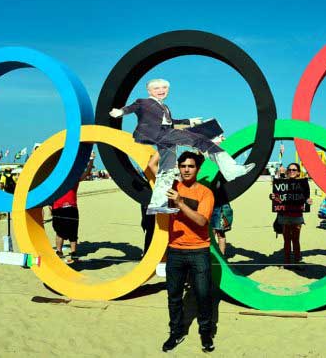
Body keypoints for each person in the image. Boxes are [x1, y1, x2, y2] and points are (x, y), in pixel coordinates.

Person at [109, 78, 254, 215]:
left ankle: (157, 204)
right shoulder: (143, 102)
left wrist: (190, 121)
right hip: (155, 134)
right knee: (201, 140)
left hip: (165, 136)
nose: (161, 90)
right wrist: (120, 112)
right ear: (149, 91)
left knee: (166, 169)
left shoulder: (164, 107)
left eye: (164, 87)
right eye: (157, 88)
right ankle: (231, 170)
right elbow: (131, 108)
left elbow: (171, 122)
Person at [161, 151, 215, 353]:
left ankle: (206, 333)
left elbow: (202, 220)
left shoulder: (205, 193)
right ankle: (175, 333)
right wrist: (166, 142)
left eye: (190, 166)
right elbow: (151, 166)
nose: (186, 169)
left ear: (198, 169)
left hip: (199, 250)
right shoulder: (170, 187)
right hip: (175, 250)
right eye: (182, 165)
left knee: (203, 295)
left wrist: (181, 202)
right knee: (173, 296)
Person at [51, 153, 95, 263]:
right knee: (59, 231)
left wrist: (91, 160)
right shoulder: (57, 180)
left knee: (73, 232)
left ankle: (74, 253)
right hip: (58, 208)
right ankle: (59, 251)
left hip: (71, 207)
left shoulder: (74, 179)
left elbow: (87, 173)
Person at [270, 163, 312, 269]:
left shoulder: (303, 183)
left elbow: (306, 197)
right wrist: (272, 197)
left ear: (298, 172)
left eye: (294, 170)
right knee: (287, 240)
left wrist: (308, 201)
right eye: (290, 169)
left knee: (296, 239)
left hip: (297, 215)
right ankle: (287, 262)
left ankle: (297, 262)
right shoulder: (282, 183)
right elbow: (277, 197)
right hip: (284, 215)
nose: (292, 171)